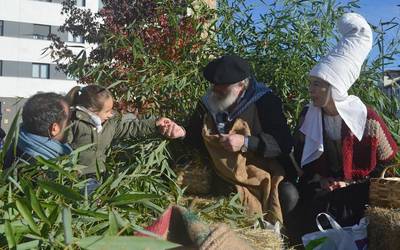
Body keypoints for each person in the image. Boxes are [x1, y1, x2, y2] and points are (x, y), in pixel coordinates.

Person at [293, 13, 398, 235]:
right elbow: (302, 156)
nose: (311, 90)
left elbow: (386, 160)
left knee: (350, 204)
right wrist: (322, 179)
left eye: (317, 84)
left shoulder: (366, 117)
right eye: (311, 83)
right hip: (321, 185)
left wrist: (349, 183)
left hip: (358, 186)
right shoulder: (308, 116)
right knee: (312, 203)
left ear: (335, 87)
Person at [184, 55, 298, 225]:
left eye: (223, 89)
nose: (216, 91)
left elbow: (283, 143)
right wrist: (181, 132)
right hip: (222, 171)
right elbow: (194, 137)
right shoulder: (208, 103)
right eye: (214, 87)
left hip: (263, 169)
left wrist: (245, 142)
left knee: (289, 195)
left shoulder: (265, 102)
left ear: (241, 85)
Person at [66, 85, 186, 177]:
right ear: (92, 110)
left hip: (97, 175)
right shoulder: (73, 123)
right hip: (74, 176)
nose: (111, 114)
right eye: (107, 111)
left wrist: (155, 124)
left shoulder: (110, 124)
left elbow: (131, 128)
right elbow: (61, 150)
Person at [4, 92, 72, 168]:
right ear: (54, 129)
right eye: (69, 120)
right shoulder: (44, 171)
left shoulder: (13, 153)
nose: (71, 124)